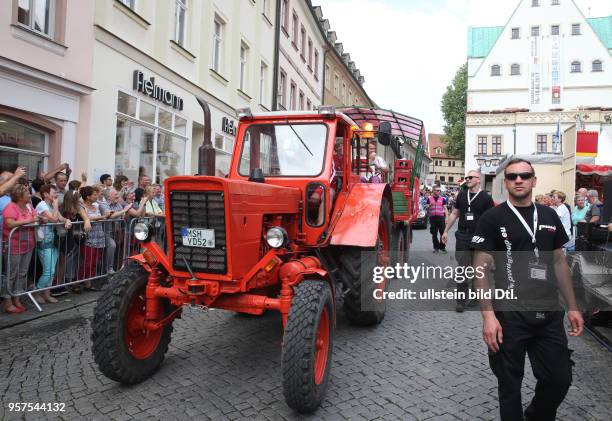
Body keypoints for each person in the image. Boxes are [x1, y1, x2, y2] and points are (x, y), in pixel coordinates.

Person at [471, 158, 584, 421]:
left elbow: (558, 261)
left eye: (524, 175)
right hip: (509, 315)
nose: (518, 180)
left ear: (534, 180)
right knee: (509, 386)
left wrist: (574, 307)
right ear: (506, 182)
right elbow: (480, 267)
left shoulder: (549, 215)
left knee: (559, 379)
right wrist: (488, 316)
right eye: (512, 176)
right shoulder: (492, 218)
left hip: (548, 313)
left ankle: (535, 416)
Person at [441, 170, 494, 312]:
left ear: (478, 180)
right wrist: (446, 230)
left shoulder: (485, 198)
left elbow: (490, 219)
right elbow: (454, 213)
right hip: (463, 236)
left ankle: (477, 296)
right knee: (462, 268)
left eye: (470, 177)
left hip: (479, 237)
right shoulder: (462, 196)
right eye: (466, 177)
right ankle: (461, 301)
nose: (467, 179)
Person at [2, 184, 38, 313]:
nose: (30, 195)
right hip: (13, 246)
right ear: (20, 196)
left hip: (28, 244)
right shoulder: (10, 207)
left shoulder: (29, 206)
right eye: (27, 193)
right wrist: (27, 221)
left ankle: (16, 296)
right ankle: (7, 300)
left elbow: (35, 218)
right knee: (11, 273)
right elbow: (9, 223)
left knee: (22, 273)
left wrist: (41, 219)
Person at [34, 184, 72, 304]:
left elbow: (60, 218)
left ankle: (46, 294)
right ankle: (37, 293)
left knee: (52, 271)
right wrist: (55, 206)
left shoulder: (50, 205)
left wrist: (67, 221)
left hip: (53, 241)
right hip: (44, 242)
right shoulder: (42, 205)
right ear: (45, 194)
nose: (56, 195)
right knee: (48, 271)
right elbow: (54, 219)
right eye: (53, 192)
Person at [77, 186, 107, 288]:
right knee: (88, 262)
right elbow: (88, 218)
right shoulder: (81, 206)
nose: (97, 196)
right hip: (89, 237)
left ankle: (89, 283)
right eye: (94, 194)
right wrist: (102, 217)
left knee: (95, 261)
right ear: (88, 196)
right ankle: (80, 282)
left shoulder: (97, 205)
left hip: (99, 236)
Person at [428, 186, 448, 253]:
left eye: (439, 190)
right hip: (433, 218)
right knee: (434, 234)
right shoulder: (429, 199)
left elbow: (445, 208)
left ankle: (442, 247)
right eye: (437, 190)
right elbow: (427, 208)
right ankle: (436, 247)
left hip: (441, 218)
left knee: (442, 233)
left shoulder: (443, 199)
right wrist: (429, 205)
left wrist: (447, 217)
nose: (438, 191)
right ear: (433, 190)